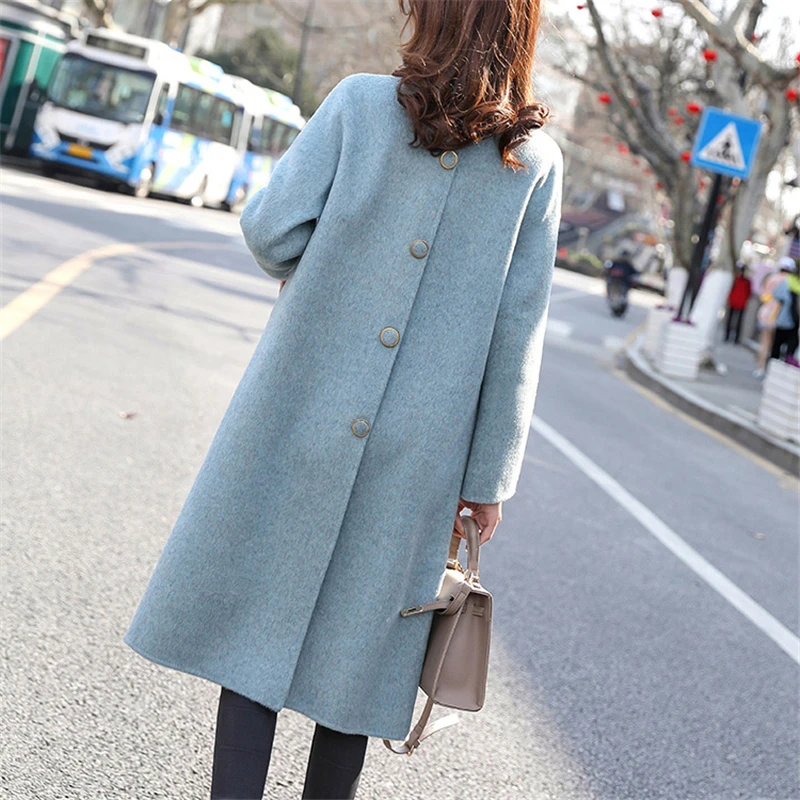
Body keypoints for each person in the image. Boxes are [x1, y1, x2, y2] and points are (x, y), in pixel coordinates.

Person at [123, 1, 561, 798]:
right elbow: (517, 329)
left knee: (255, 634)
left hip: (301, 409)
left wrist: (336, 272)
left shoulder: (362, 105)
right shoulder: (530, 163)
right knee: (359, 666)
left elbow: (271, 230)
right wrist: (488, 480)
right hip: (421, 455)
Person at [754, 263, 787, 378]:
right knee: (773, 344)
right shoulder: (787, 281)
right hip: (777, 314)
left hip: (765, 312)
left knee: (764, 342)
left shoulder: (771, 278)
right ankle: (768, 370)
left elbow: (762, 295)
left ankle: (760, 367)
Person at [771, 256, 800, 361]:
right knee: (791, 342)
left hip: (784, 315)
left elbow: (776, 294)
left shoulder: (787, 280)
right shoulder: (789, 280)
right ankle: (787, 358)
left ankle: (774, 362)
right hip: (793, 318)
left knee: (777, 342)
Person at [724, 263, 752, 344]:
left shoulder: (736, 279)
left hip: (734, 301)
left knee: (730, 319)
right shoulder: (746, 281)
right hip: (741, 302)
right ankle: (735, 338)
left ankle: (727, 336)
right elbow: (749, 292)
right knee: (738, 321)